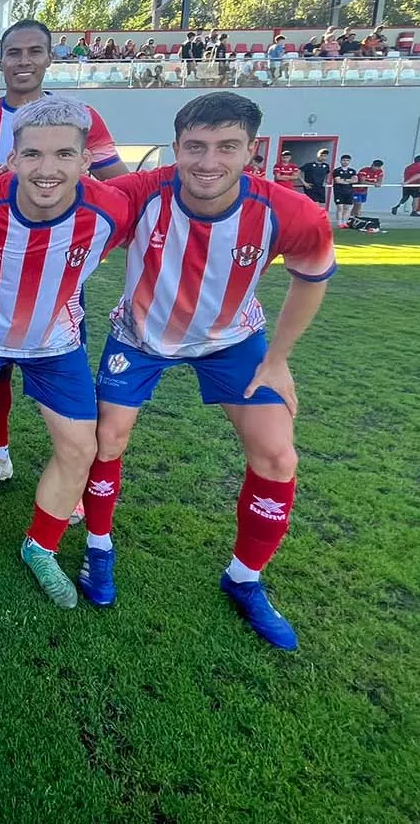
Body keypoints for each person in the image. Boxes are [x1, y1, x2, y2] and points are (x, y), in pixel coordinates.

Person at [84, 92, 336, 650]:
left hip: (233, 341)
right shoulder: (140, 195)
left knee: (277, 455)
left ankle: (245, 578)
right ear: (175, 149)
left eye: (227, 147)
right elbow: (66, 209)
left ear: (251, 151)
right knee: (107, 439)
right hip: (141, 337)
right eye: (195, 147)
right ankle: (98, 546)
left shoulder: (289, 212)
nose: (208, 161)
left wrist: (278, 360)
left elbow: (311, 276)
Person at [0, 97, 133, 605]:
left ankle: (40, 546)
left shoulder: (113, 207)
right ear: (12, 158)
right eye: (33, 155)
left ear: (87, 161)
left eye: (64, 154)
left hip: (54, 343)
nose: (47, 169)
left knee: (80, 449)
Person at [0, 19, 128, 495]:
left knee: (65, 375)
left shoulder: (81, 115)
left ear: (50, 58)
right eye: (14, 53)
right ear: (0, 60)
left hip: (58, 278)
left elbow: (119, 184)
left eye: (35, 52)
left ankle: (73, 481)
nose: (24, 61)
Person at [332, 154, 359, 227]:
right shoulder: (337, 171)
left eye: (347, 160)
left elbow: (355, 180)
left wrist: (344, 180)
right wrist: (348, 180)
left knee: (348, 207)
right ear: (341, 161)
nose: (345, 162)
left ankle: (345, 222)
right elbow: (338, 181)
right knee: (340, 207)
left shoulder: (352, 171)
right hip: (339, 191)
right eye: (344, 160)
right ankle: (339, 223)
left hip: (349, 191)